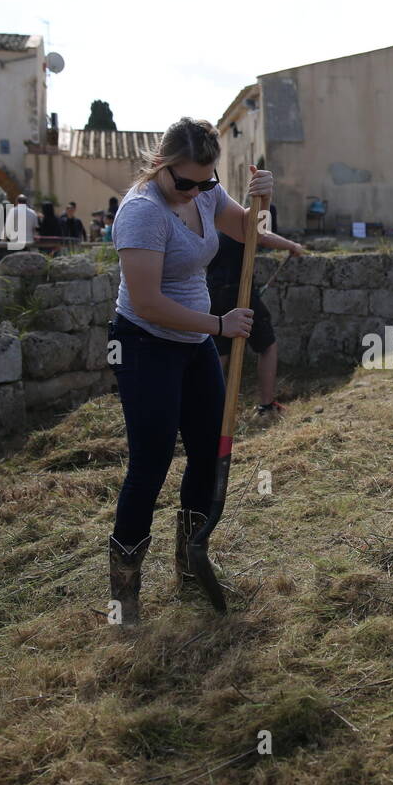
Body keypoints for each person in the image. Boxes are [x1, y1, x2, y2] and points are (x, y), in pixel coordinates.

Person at [108, 116, 271, 625]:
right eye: (185, 182)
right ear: (160, 165)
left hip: (196, 340)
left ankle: (190, 560)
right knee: (151, 463)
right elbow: (148, 302)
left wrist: (261, 202)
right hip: (145, 344)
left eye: (207, 182)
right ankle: (125, 591)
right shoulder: (141, 213)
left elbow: (247, 231)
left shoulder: (203, 192)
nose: (195, 191)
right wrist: (219, 324)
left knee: (207, 452)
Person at [208, 225, 306, 415]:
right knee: (267, 345)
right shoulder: (238, 222)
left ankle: (210, 408)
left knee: (220, 352)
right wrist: (292, 245)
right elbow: (262, 235)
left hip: (213, 292)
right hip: (239, 292)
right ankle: (266, 405)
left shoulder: (217, 225)